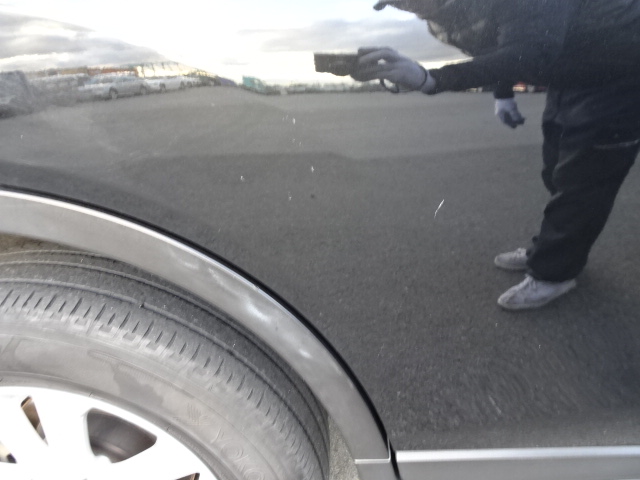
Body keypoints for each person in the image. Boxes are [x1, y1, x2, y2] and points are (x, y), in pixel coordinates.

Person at [351, 0, 640, 310]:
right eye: (397, 3)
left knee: (583, 180)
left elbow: (530, 52)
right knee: (555, 170)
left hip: (624, 72)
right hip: (573, 71)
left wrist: (431, 79)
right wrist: (503, 94)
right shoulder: (449, 15)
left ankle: (555, 273)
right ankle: (555, 249)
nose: (409, 7)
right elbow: (507, 44)